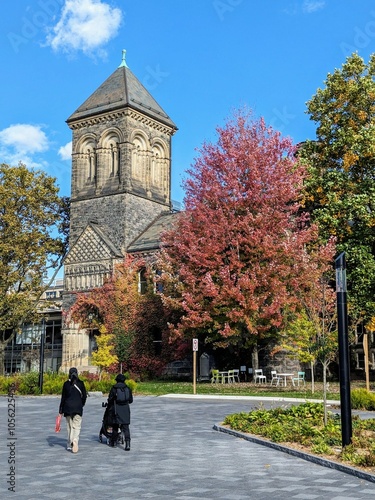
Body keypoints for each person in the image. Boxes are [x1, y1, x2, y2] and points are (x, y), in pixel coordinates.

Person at [59, 367, 87, 453]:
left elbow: (63, 398)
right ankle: (75, 440)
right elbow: (84, 396)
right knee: (77, 426)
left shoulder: (66, 384)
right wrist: (81, 404)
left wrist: (60, 410)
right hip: (78, 407)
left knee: (69, 427)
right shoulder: (81, 383)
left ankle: (70, 442)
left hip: (67, 408)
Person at [107, 373, 133, 450]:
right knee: (126, 427)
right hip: (125, 409)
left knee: (115, 426)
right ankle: (127, 443)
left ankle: (114, 442)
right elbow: (130, 400)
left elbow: (110, 400)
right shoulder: (127, 388)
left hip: (116, 409)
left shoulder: (114, 388)